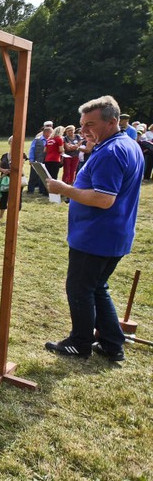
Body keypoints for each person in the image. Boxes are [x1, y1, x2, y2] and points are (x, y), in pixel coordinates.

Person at [44, 95, 144, 361]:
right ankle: (112, 344)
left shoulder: (112, 152)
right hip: (113, 234)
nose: (84, 130)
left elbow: (103, 198)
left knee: (80, 288)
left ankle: (80, 342)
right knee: (97, 287)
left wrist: (64, 189)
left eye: (90, 124)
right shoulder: (125, 144)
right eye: (82, 124)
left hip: (97, 236)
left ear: (112, 122)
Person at [0, 136, 26, 224]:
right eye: (12, 141)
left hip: (17, 179)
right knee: (3, 197)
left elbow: (21, 165)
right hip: (5, 179)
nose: (14, 143)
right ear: (9, 143)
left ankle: (16, 218)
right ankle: (1, 216)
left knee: (17, 198)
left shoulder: (22, 154)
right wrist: (4, 170)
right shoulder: (4, 155)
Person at [26, 124, 50, 195]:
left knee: (44, 176)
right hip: (37, 160)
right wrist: (31, 159)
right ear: (46, 132)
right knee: (33, 176)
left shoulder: (51, 140)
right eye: (50, 132)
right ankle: (30, 190)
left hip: (47, 161)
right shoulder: (37, 140)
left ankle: (42, 190)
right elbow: (32, 149)